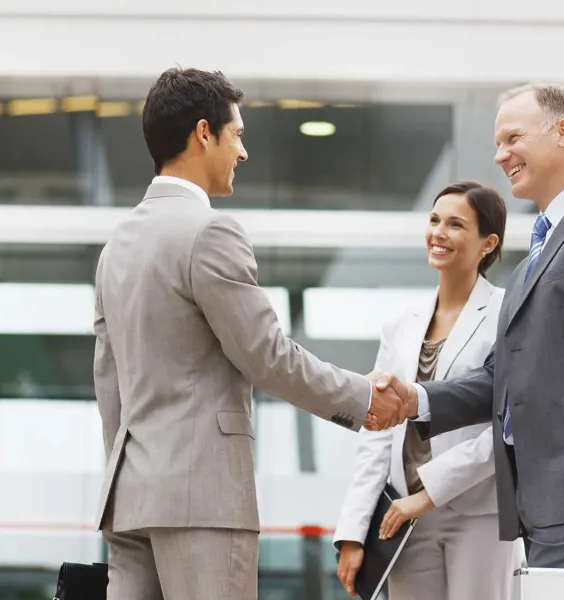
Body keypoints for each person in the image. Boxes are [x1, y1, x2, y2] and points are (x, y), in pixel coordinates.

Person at [92, 67, 409, 600]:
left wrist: (130, 476)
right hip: (202, 499)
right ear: (203, 133)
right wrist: (362, 399)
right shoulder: (209, 231)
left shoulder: (117, 244)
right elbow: (265, 355)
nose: (242, 152)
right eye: (237, 134)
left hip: (130, 498)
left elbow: (110, 384)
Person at [375, 82, 564, 569]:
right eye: (498, 143)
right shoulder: (530, 262)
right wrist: (417, 399)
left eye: (512, 138)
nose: (500, 155)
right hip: (538, 504)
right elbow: (503, 380)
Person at [334, 182, 525, 599]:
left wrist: (430, 493)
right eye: (434, 220)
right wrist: (354, 531)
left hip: (478, 514)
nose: (438, 232)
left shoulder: (508, 314)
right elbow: (377, 433)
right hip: (402, 517)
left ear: (487, 243)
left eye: (456, 224)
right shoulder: (402, 322)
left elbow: (508, 425)